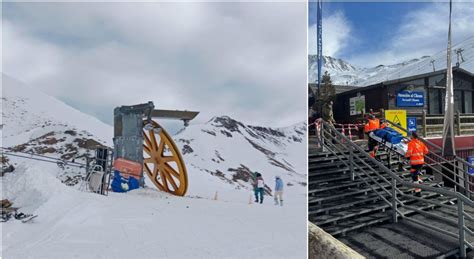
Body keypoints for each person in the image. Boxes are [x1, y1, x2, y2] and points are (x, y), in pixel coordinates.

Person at [405, 132, 428, 197]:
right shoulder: (420, 143)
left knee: (414, 177)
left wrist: (406, 156)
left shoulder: (411, 143)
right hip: (421, 162)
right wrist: (420, 154)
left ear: (412, 136)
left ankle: (418, 192)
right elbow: (426, 151)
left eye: (410, 135)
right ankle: (418, 180)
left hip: (415, 162)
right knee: (415, 173)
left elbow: (409, 153)